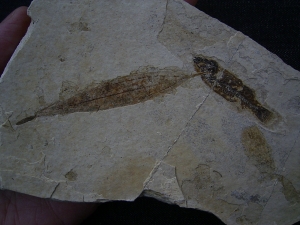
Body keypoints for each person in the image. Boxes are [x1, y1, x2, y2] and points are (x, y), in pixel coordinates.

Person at [0, 1, 197, 224]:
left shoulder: (164, 82)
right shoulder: (163, 80)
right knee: (81, 101)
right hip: (104, 96)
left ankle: (36, 115)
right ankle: (35, 116)